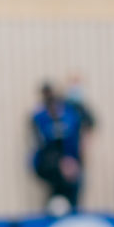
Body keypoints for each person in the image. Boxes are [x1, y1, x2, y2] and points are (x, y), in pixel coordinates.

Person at [30, 82, 84, 215]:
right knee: (56, 196)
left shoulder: (71, 114)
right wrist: (60, 162)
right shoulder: (39, 118)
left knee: (73, 190)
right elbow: (42, 145)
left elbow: (81, 135)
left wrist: (75, 161)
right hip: (50, 165)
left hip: (72, 163)